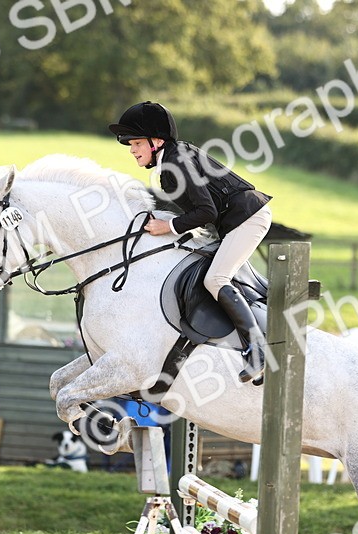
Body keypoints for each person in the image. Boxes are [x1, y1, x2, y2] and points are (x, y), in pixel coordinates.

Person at [108, 100, 272, 383]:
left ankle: (258, 349)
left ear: (156, 141)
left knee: (215, 279)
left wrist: (167, 226)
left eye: (136, 143)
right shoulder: (171, 158)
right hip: (235, 219)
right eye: (130, 144)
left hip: (247, 217)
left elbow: (206, 211)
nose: (132, 150)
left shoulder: (176, 161)